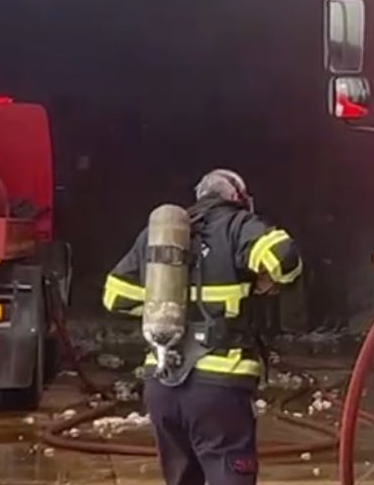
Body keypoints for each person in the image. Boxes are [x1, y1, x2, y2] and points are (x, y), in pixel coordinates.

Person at [102, 168, 303, 485]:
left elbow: (115, 296)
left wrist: (171, 310)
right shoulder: (239, 226)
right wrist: (265, 281)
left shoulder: (157, 238)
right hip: (219, 385)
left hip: (162, 382)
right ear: (237, 198)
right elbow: (284, 259)